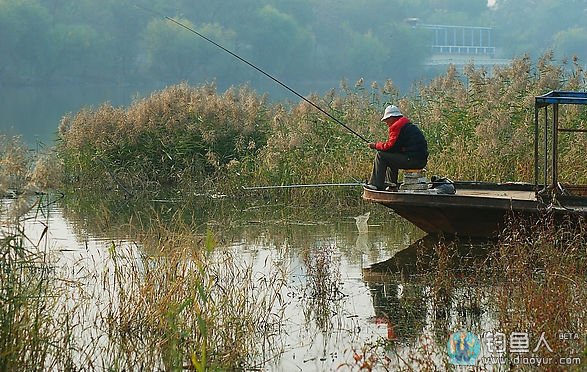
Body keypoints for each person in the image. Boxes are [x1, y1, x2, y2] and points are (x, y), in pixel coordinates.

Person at [365, 104, 428, 191]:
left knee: (381, 156)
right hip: (420, 160)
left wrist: (375, 146)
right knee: (391, 155)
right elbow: (394, 148)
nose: (386, 123)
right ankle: (392, 185)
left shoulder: (397, 126)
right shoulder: (406, 125)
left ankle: (375, 184)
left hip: (413, 160)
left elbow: (390, 146)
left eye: (387, 120)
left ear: (392, 117)